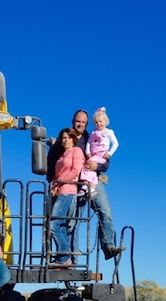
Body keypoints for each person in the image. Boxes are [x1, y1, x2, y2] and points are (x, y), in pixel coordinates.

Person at [48, 109, 125, 261]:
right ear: (73, 121)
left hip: (94, 180)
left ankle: (108, 247)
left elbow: (104, 159)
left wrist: (97, 167)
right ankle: (71, 261)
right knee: (73, 223)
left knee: (105, 212)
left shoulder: (92, 137)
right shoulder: (63, 140)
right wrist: (54, 183)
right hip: (73, 186)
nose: (80, 124)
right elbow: (51, 164)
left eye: (83, 122)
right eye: (78, 121)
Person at [50, 128, 85, 266]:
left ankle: (64, 258)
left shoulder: (76, 151)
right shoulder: (61, 155)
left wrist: (58, 182)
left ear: (73, 139)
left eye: (67, 137)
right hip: (59, 191)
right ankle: (62, 258)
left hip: (68, 190)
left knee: (54, 223)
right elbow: (58, 174)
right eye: (63, 138)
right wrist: (53, 184)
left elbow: (75, 171)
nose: (65, 140)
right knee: (61, 226)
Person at [80, 107, 120, 196]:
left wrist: (109, 153)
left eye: (100, 121)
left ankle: (85, 184)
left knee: (87, 165)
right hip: (93, 155)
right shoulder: (93, 133)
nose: (98, 124)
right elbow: (89, 143)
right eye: (96, 122)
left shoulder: (109, 132)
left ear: (105, 121)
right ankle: (92, 188)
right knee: (92, 169)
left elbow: (116, 143)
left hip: (101, 155)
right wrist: (87, 152)